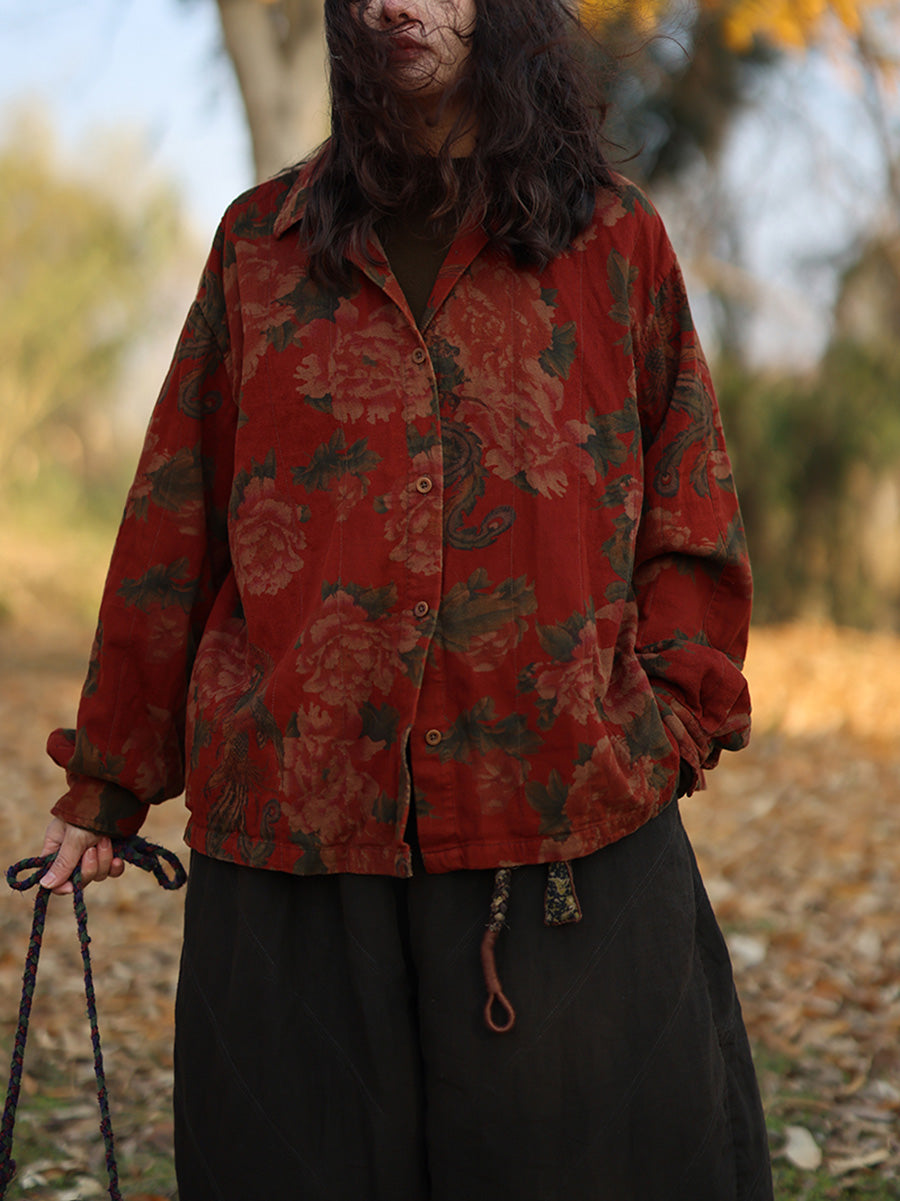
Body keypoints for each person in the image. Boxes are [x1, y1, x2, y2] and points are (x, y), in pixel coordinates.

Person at [36, 1, 774, 1197]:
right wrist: (108, 779)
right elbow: (176, 513)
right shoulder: (261, 245)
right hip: (296, 833)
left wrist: (662, 729)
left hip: (564, 830)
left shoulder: (613, 242)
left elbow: (690, 508)